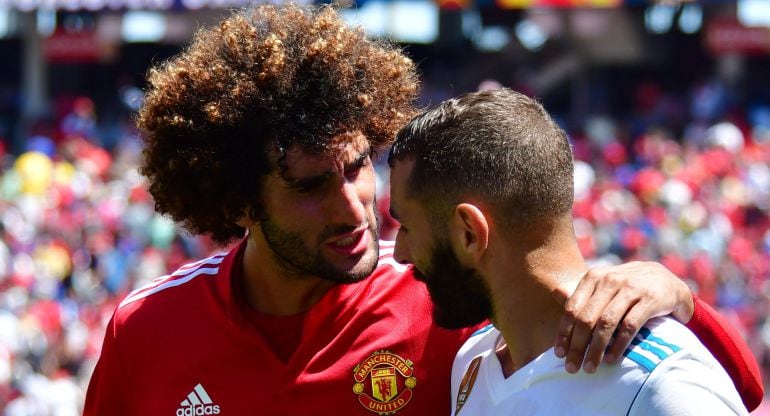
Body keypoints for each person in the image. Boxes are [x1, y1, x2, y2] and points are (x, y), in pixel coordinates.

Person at [84, 5, 762, 415]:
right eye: (311, 186)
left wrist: (675, 295)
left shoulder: (441, 300)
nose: (354, 208)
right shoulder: (144, 332)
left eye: (357, 169)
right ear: (238, 201)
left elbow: (734, 390)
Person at [388, 88, 750, 415]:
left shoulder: (660, 384)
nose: (400, 253)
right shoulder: (473, 361)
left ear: (469, 233)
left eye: (406, 227)